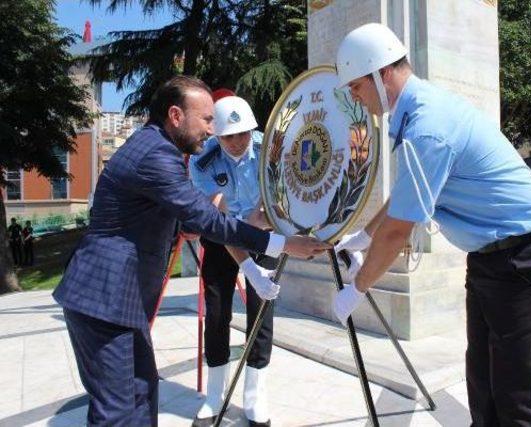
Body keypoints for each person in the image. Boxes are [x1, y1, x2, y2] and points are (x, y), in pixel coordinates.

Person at [53, 75, 329, 427]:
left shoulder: (158, 149)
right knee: (119, 412)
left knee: (141, 393)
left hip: (121, 303)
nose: (212, 130)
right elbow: (206, 218)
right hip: (105, 302)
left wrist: (230, 221)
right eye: (207, 120)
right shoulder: (156, 156)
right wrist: (284, 243)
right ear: (176, 115)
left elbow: (188, 221)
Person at [331, 23, 531, 427]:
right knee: (481, 380)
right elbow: (405, 194)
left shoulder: (428, 126)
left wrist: (357, 289)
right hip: (492, 260)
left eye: (355, 86)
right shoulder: (416, 115)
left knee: (516, 395)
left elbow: (399, 230)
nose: (355, 97)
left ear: (381, 73)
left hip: (527, 258)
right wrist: (362, 236)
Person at [189, 92, 275, 427]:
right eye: (229, 136)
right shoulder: (202, 162)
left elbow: (276, 193)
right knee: (217, 311)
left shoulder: (269, 148)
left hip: (263, 229)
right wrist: (246, 258)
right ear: (216, 135)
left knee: (261, 311)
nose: (238, 141)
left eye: (243, 134)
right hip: (221, 236)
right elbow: (219, 210)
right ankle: (214, 395)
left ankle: (255, 397)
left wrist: (256, 224)